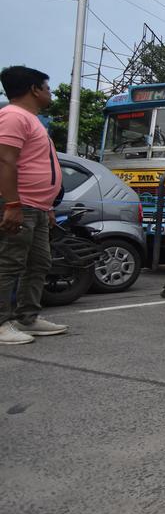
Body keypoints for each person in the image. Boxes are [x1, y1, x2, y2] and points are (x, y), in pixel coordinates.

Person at [0, 66, 67, 345]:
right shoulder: (13, 116)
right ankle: (2, 322)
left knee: (39, 263)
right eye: (48, 88)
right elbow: (5, 160)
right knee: (9, 263)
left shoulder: (32, 120)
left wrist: (47, 206)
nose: (50, 93)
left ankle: (28, 317)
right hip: (21, 204)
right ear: (34, 89)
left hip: (37, 207)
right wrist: (12, 203)